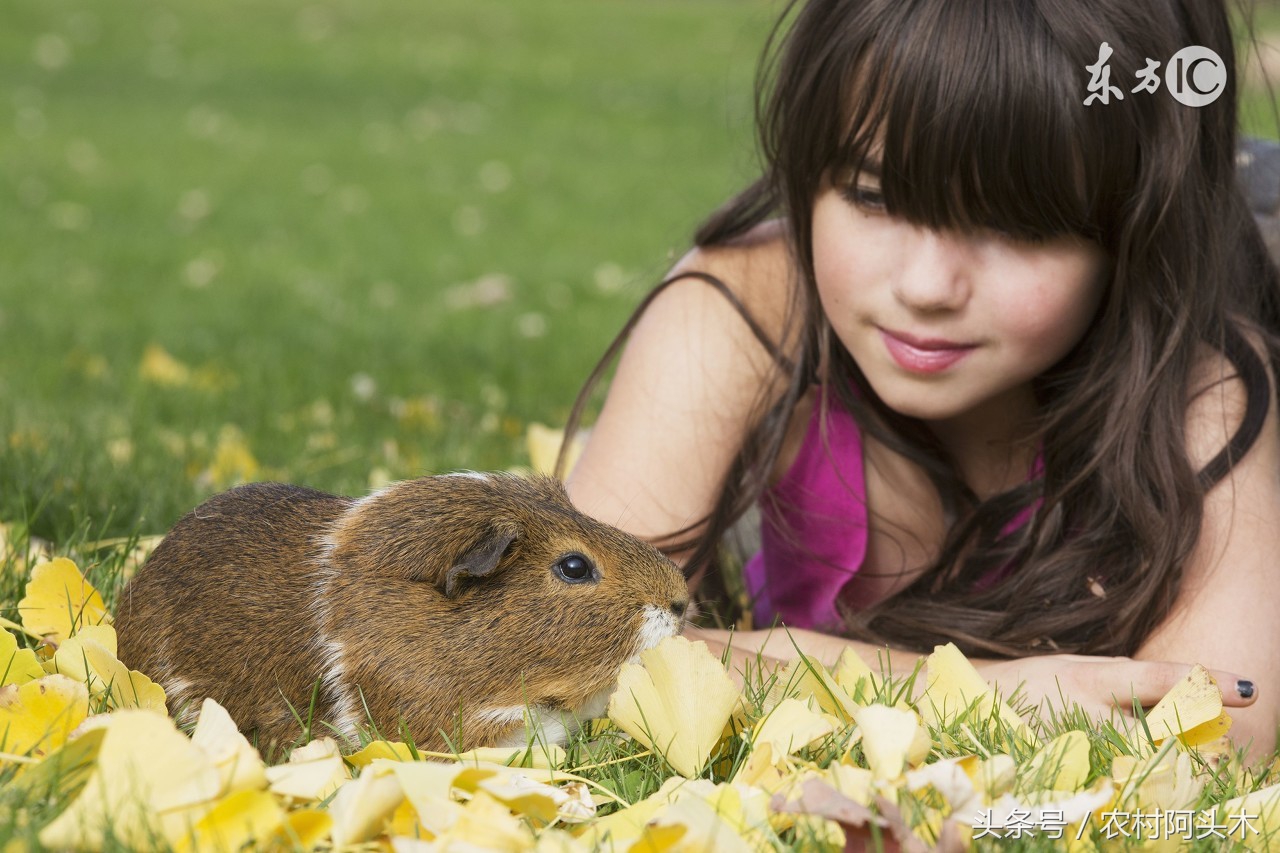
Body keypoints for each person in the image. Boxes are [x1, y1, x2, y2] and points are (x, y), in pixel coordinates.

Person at [564, 0, 1280, 762]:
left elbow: (1217, 732)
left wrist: (738, 656)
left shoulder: (1204, 379)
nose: (928, 285)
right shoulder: (747, 307)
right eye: (873, 196)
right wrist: (987, 691)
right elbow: (568, 641)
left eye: (1018, 225)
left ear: (1130, 231)